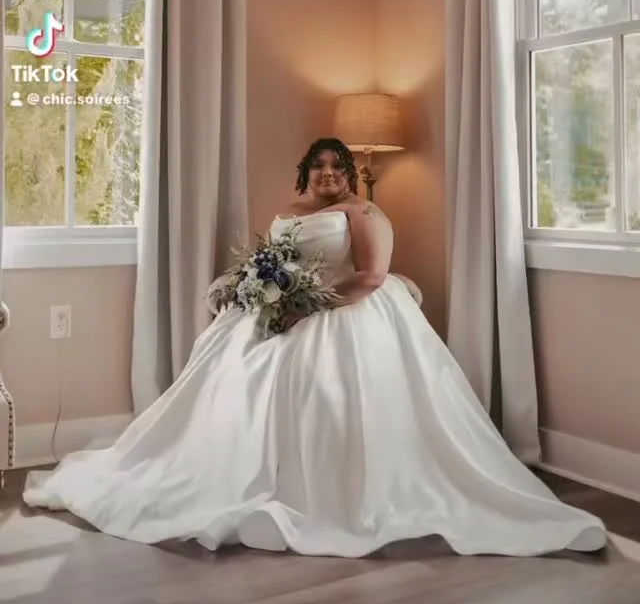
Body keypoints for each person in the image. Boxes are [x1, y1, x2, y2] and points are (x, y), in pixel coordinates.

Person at [23, 138, 607, 558]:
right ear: (306, 174)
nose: (328, 173)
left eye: (338, 166)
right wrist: (247, 286)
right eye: (319, 166)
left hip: (346, 314)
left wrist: (307, 307)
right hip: (281, 308)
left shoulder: (365, 212)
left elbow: (372, 277)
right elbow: (271, 261)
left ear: (351, 174)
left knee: (323, 397)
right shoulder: (291, 213)